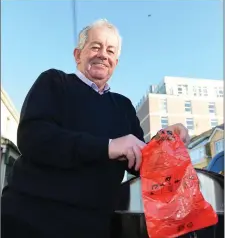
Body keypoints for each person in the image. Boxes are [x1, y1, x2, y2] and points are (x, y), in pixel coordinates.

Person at [1, 19, 190, 238]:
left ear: (116, 62)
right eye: (95, 46)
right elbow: (33, 138)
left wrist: (166, 140)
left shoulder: (123, 106)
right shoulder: (54, 82)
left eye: (110, 51)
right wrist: (108, 147)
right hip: (32, 220)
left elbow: (142, 161)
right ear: (77, 54)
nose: (103, 54)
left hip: (93, 226)